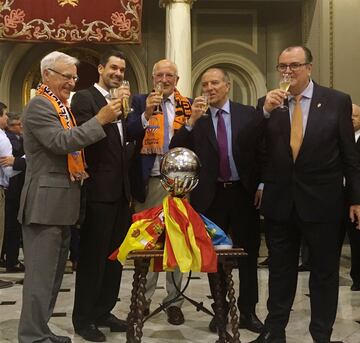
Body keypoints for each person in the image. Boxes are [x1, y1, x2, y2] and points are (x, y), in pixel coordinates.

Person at [251, 46, 360, 343]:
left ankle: (321, 334)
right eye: (283, 66)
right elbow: (251, 146)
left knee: (324, 273)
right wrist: (264, 113)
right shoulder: (268, 103)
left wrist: (356, 198)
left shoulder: (336, 101)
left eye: (295, 65)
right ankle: (275, 332)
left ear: (309, 68)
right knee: (279, 272)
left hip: (324, 203)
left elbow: (350, 156)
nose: (288, 72)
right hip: (280, 203)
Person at [17, 51, 122, 343]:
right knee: (40, 278)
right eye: (67, 77)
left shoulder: (61, 107)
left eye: (74, 78)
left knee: (52, 278)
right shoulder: (40, 106)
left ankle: (41, 331)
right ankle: (31, 335)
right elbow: (60, 142)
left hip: (61, 206)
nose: (72, 84)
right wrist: (99, 120)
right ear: (47, 75)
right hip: (44, 206)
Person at [170, 67, 264, 333]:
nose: (209, 88)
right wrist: (190, 122)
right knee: (215, 257)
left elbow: (262, 151)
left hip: (244, 194)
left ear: (227, 85)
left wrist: (262, 183)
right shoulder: (196, 118)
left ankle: (248, 311)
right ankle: (220, 311)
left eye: (214, 83)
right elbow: (175, 148)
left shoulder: (248, 114)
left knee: (248, 254)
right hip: (211, 197)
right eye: (205, 84)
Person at [71, 50, 136, 342]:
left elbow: (124, 146)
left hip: (121, 193)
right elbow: (87, 137)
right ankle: (84, 318)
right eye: (113, 68)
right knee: (93, 259)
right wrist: (110, 111)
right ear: (101, 69)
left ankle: (103, 310)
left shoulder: (124, 102)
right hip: (98, 192)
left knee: (114, 259)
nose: (118, 73)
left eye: (122, 70)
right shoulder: (86, 98)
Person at [126, 59, 192, 325]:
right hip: (150, 181)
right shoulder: (139, 100)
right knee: (148, 244)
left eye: (170, 75)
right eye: (160, 75)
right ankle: (144, 300)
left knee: (176, 243)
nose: (164, 79)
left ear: (176, 80)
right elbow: (130, 132)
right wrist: (146, 113)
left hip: (179, 184)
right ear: (153, 78)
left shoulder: (186, 105)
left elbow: (195, 142)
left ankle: (174, 301)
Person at [1, 112, 26, 272]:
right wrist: (24, 159)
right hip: (11, 189)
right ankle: (10, 260)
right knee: (9, 227)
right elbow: (9, 170)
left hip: (13, 187)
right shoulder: (5, 138)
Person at [0, 102, 19, 289]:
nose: (6, 118)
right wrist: (25, 163)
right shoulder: (3, 138)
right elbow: (9, 170)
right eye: (4, 115)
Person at [342, 103, 360, 291]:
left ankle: (358, 278)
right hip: (337, 196)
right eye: (349, 116)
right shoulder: (339, 138)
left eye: (355, 116)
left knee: (356, 240)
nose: (351, 119)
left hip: (356, 197)